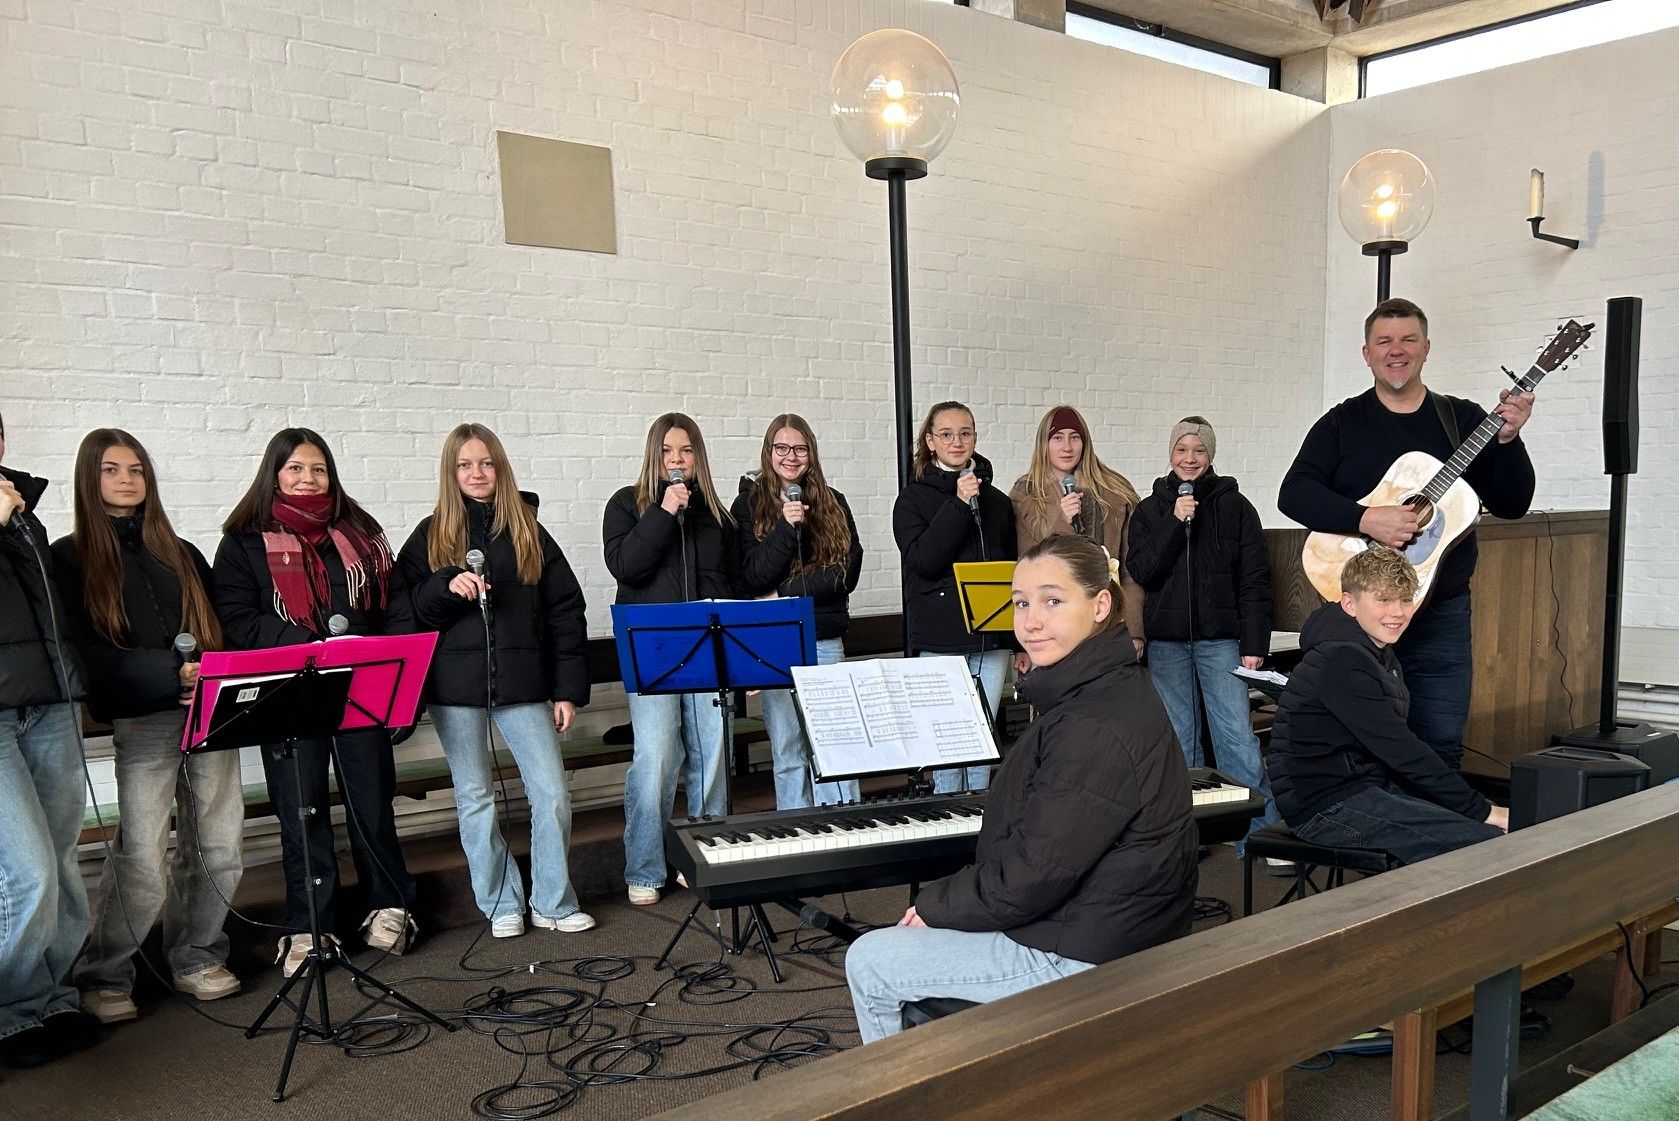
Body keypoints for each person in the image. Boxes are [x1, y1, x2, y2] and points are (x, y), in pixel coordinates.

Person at [845, 533, 1197, 1043]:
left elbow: (1032, 879)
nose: (1031, 621)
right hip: (1114, 922)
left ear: (1100, 605)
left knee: (871, 959)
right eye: (1021, 603)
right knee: (936, 926)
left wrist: (933, 906)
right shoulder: (1111, 687)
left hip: (1086, 951)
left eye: (1053, 601)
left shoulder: (1090, 723)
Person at [1279, 298, 1536, 771]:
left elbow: (1513, 503)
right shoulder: (1342, 422)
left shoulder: (1461, 419)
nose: (1396, 351)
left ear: (1426, 348)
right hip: (1358, 614)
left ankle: (1440, 842)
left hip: (1440, 612)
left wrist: (1508, 441)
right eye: (1384, 341)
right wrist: (1365, 518)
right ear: (1367, 353)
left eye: (1408, 340)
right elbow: (1293, 494)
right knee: (1359, 740)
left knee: (1439, 739)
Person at [52, 430, 243, 1023]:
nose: (127, 479)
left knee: (219, 844)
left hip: (210, 712)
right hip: (145, 719)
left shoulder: (180, 550)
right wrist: (169, 673)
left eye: (136, 468)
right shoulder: (68, 556)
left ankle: (196, 955)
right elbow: (84, 650)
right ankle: (105, 972)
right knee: (141, 853)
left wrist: (210, 672)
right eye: (112, 470)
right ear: (91, 478)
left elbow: (220, 626)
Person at [214, 428, 418, 976]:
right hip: (290, 689)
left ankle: (389, 904)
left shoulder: (364, 535)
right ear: (274, 475)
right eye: (296, 470)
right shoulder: (243, 542)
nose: (308, 479)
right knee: (300, 811)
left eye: (318, 469)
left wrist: (401, 686)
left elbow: (393, 609)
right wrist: (307, 646)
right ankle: (311, 926)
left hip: (361, 687)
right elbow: (235, 618)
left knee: (371, 800)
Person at [398, 424, 595, 939]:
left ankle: (552, 900)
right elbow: (407, 609)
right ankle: (501, 902)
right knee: (476, 798)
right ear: (451, 473)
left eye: (486, 463)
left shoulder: (529, 530)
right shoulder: (429, 534)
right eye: (466, 465)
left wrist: (567, 688)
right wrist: (445, 587)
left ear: (500, 468)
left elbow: (565, 610)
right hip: (455, 692)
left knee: (551, 791)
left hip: (524, 686)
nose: (477, 473)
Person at [1266, 547, 1508, 863]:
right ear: (1349, 604)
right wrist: (1482, 810)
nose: (1397, 612)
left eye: (1405, 600)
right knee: (1487, 843)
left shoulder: (1376, 652)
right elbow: (1402, 750)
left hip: (1362, 788)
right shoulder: (1342, 660)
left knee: (1476, 828)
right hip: (1323, 806)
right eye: (1383, 600)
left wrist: (1472, 808)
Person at [603, 413, 737, 905]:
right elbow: (626, 566)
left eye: (686, 451)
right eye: (667, 451)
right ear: (653, 455)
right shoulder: (625, 504)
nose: (676, 460)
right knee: (657, 758)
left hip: (707, 650)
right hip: (652, 650)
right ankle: (645, 865)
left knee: (711, 756)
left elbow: (729, 584)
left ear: (698, 458)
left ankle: (707, 853)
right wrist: (663, 512)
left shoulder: (717, 515)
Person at [0, 418, 100, 1068]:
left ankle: (54, 997)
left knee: (63, 862)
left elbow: (48, 607)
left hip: (51, 702)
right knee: (26, 869)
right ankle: (11, 1009)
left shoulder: (21, 511)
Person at [1127, 416, 1278, 842]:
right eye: (1182, 449)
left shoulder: (1236, 507)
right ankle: (1192, 837)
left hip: (1221, 641)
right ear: (1170, 454)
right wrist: (1175, 522)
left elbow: (1254, 580)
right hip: (1167, 644)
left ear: (1210, 456)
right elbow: (1142, 571)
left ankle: (1261, 834)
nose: (1189, 458)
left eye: (1199, 450)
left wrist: (1254, 643)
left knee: (1237, 738)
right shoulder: (1150, 510)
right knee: (1180, 742)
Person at [732, 414, 865, 808]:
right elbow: (753, 576)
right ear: (769, 452)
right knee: (788, 749)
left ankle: (842, 828)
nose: (791, 457)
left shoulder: (833, 501)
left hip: (824, 639)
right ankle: (797, 834)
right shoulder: (748, 505)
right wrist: (785, 531)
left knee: (832, 745)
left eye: (800, 448)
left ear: (812, 453)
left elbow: (846, 572)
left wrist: (784, 591)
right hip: (776, 643)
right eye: (782, 448)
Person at [893, 401, 1015, 794]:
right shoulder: (912, 500)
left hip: (989, 637)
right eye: (946, 434)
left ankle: (979, 817)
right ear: (930, 442)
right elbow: (925, 561)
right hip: (940, 639)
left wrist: (1015, 642)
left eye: (965, 433)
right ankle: (948, 813)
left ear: (975, 438)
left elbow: (1010, 568)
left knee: (981, 737)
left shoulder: (996, 501)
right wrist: (959, 504)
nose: (957, 441)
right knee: (947, 738)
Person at [1010, 404, 1146, 657]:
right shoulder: (1026, 495)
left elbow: (1131, 570)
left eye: (1075, 437)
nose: (1067, 447)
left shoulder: (1115, 493)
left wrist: (1134, 630)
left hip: (1109, 620)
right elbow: (1027, 569)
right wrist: (1062, 518)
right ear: (1044, 444)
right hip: (1052, 629)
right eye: (1057, 438)